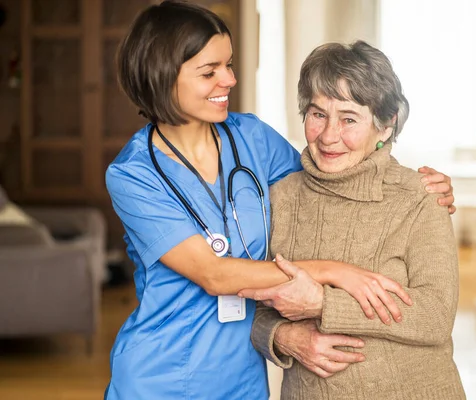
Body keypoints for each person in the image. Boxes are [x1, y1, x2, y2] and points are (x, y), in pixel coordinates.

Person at [103, 2, 456, 399]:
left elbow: (331, 176)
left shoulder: (252, 138)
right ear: (162, 76)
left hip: (242, 376)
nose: (230, 80)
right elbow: (215, 275)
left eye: (229, 65)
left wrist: (415, 185)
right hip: (162, 374)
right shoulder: (134, 174)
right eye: (210, 71)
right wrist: (335, 273)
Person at [247, 41, 466, 399]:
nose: (330, 136)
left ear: (385, 126)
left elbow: (436, 316)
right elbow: (246, 303)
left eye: (349, 119)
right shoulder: (278, 197)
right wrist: (283, 337)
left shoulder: (420, 197)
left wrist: (323, 305)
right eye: (318, 115)